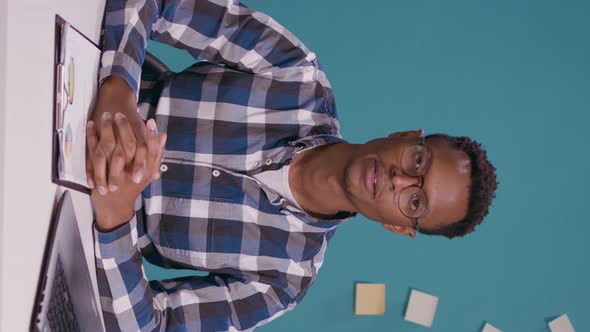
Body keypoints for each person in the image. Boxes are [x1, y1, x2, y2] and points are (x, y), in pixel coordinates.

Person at [86, 0, 498, 330]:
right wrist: (119, 86)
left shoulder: (283, 283)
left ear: (399, 226)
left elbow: (152, 327)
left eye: (414, 201)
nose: (399, 179)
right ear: (404, 136)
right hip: (76, 88)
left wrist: (115, 217)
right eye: (418, 160)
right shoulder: (296, 74)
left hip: (64, 221)